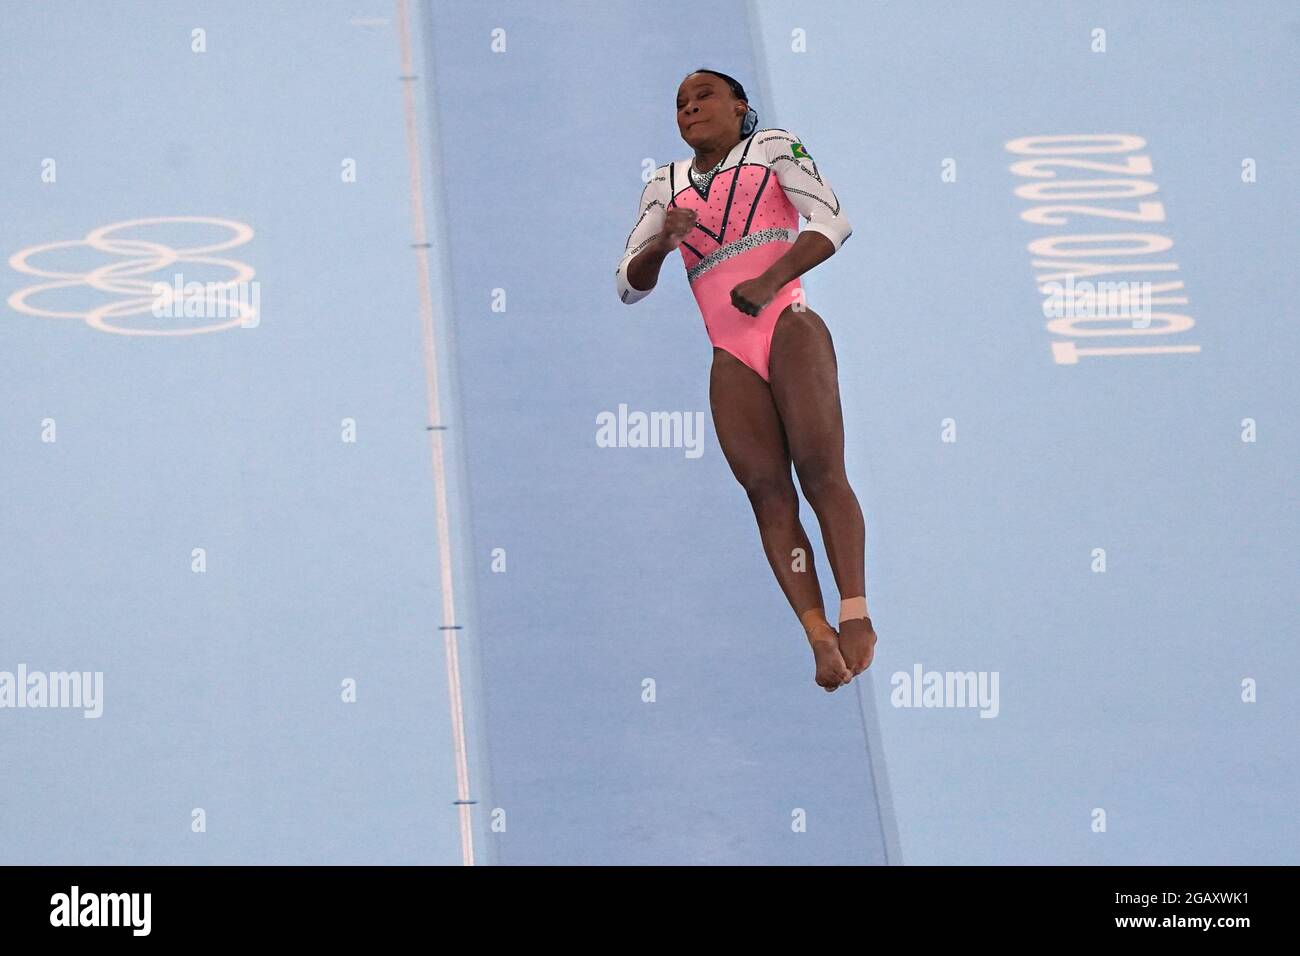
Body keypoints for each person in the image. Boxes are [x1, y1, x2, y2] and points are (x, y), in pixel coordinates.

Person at [615, 68, 877, 692]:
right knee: (767, 495)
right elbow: (628, 282)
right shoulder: (663, 186)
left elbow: (832, 221)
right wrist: (662, 245)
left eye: (703, 96)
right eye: (679, 103)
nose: (689, 108)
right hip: (729, 353)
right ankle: (818, 635)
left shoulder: (773, 148)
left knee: (820, 472)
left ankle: (855, 612)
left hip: (788, 322)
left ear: (740, 106)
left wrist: (767, 282)